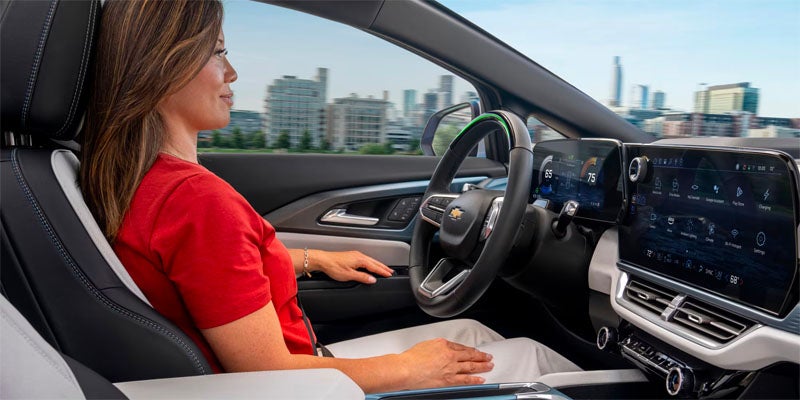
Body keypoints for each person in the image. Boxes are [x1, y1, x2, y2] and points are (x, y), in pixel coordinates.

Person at [80, 0, 580, 394]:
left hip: (309, 374)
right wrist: (407, 370)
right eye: (218, 52)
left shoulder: (136, 180)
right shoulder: (196, 201)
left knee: (473, 334)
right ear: (164, 66)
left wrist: (312, 257)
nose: (231, 74)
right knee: (536, 361)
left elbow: (210, 273)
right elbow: (268, 373)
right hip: (307, 384)